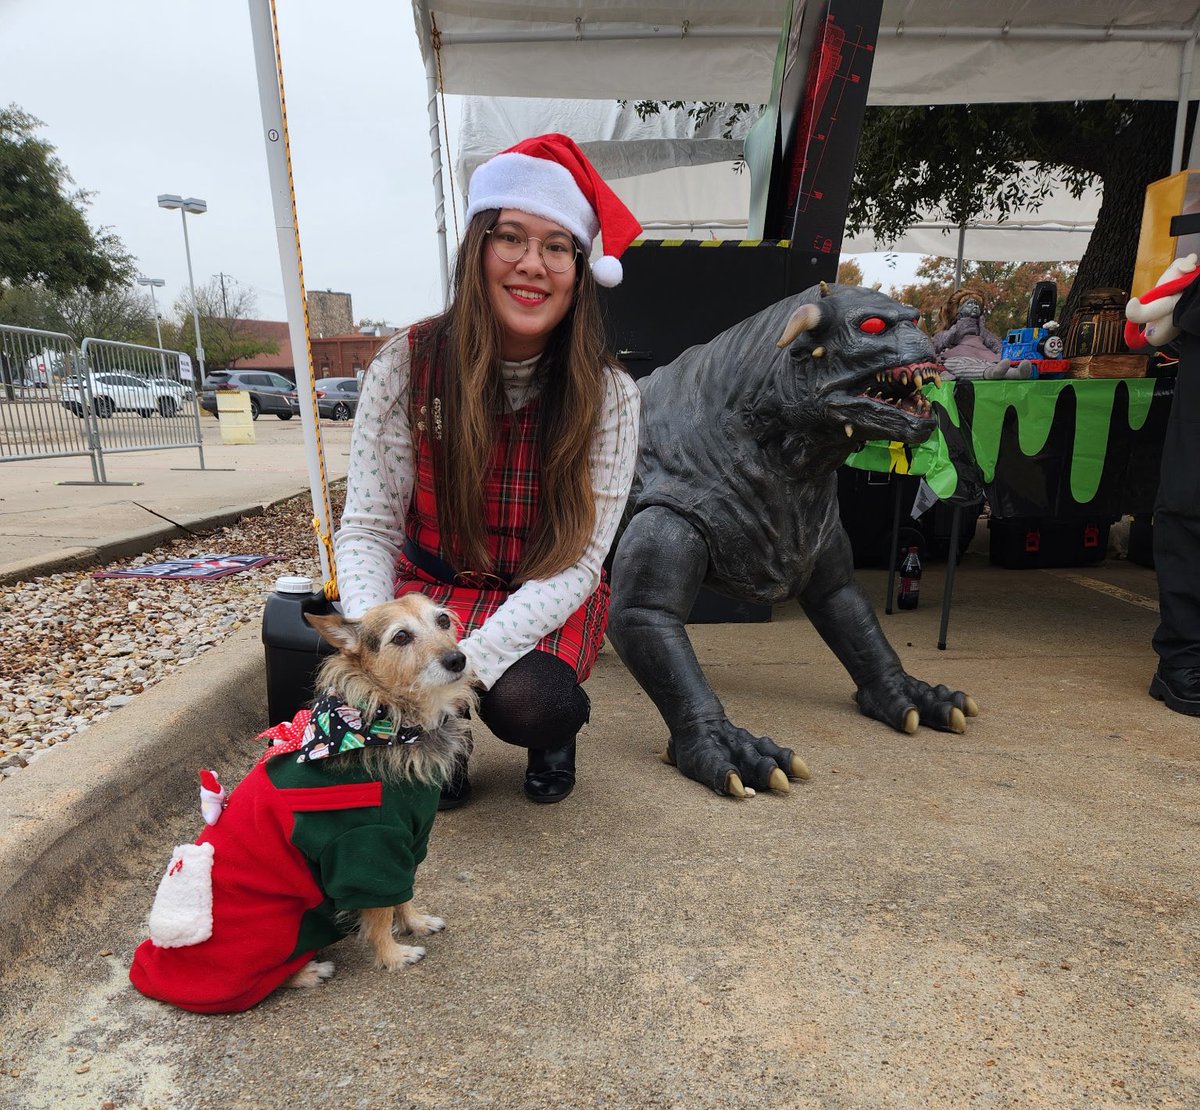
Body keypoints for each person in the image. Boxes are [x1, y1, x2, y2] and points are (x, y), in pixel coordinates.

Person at [334, 133, 643, 803]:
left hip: (546, 592)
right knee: (367, 687)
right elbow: (367, 526)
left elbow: (581, 562)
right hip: (435, 589)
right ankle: (454, 735)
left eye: (557, 246)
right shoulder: (405, 364)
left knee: (533, 702)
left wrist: (464, 667)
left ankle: (542, 734)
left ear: (580, 268)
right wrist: (378, 638)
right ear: (478, 248)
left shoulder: (611, 394)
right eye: (511, 237)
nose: (532, 264)